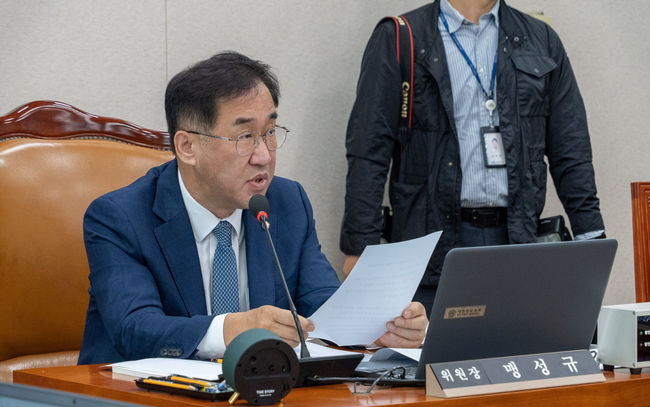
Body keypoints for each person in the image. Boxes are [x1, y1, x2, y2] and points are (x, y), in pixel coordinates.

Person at [78, 52, 427, 364]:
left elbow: (322, 302)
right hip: (136, 401)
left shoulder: (287, 202)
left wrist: (378, 328)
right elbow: (135, 328)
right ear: (187, 147)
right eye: (245, 137)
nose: (264, 156)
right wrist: (233, 329)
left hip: (255, 399)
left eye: (271, 132)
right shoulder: (120, 217)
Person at [340, 0, 605, 315]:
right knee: (431, 346)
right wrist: (360, 247)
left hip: (517, 241)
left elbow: (571, 148)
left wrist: (593, 238)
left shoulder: (540, 39)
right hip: (429, 247)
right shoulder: (401, 36)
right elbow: (368, 149)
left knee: (512, 342)